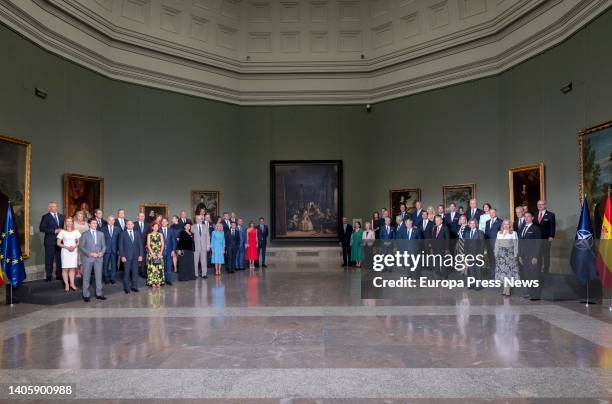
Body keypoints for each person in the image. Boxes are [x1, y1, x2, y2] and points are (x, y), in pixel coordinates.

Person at [79, 218, 106, 302]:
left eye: (96, 223)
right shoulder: (84, 234)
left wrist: (102, 253)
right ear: (89, 224)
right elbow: (81, 247)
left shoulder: (101, 234)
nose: (95, 224)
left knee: (98, 277)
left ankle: (99, 294)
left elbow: (104, 246)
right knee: (86, 277)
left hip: (99, 258)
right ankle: (86, 295)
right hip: (88, 258)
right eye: (93, 223)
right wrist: (90, 253)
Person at [39, 201, 65, 282]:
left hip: (60, 241)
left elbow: (64, 227)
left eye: (56, 206)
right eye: (53, 206)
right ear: (49, 208)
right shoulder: (45, 217)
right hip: (49, 242)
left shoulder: (62, 216)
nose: (55, 208)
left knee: (59, 259)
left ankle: (59, 275)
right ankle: (49, 275)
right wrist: (54, 231)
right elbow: (42, 228)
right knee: (49, 259)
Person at [519, 212, 542, 300]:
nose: (526, 218)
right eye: (525, 217)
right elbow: (520, 243)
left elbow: (538, 243)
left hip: (532, 256)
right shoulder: (522, 228)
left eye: (528, 216)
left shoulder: (536, 228)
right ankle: (529, 293)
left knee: (534, 275)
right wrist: (520, 255)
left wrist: (535, 256)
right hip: (524, 256)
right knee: (527, 275)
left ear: (532, 218)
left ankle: (535, 295)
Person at [495, 219, 519, 296]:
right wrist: (496, 254)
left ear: (510, 225)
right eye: (504, 224)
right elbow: (496, 244)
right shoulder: (499, 233)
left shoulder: (513, 233)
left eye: (507, 224)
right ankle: (504, 289)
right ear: (502, 225)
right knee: (502, 273)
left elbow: (516, 245)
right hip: (501, 255)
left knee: (508, 273)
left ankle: (507, 290)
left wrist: (515, 255)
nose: (506, 225)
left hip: (510, 255)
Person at [119, 220, 144, 293]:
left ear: (133, 225)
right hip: (126, 257)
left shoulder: (137, 233)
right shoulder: (122, 234)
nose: (130, 225)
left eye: (131, 224)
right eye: (128, 224)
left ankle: (134, 286)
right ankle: (126, 288)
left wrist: (141, 255)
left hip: (136, 257)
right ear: (126, 225)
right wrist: (122, 256)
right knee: (126, 272)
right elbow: (120, 246)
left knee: (135, 272)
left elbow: (140, 245)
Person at [56, 217, 80, 292]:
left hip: (73, 251)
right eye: (67, 221)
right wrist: (67, 247)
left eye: (70, 221)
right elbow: (58, 243)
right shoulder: (62, 232)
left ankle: (72, 284)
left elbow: (78, 242)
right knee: (65, 268)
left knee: (72, 268)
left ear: (72, 223)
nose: (69, 223)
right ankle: (66, 284)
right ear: (65, 223)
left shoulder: (76, 231)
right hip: (65, 252)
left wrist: (74, 247)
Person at [535, 199, 555, 273]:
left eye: (541, 204)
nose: (539, 206)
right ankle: (538, 270)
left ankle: (546, 270)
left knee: (546, 255)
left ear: (545, 205)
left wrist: (551, 236)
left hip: (546, 239)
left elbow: (552, 226)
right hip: (537, 239)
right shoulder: (535, 214)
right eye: (538, 204)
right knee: (538, 254)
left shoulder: (550, 215)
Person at [464, 219, 485, 285]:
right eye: (471, 223)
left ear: (476, 224)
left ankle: (478, 285)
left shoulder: (480, 232)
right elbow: (466, 245)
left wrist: (480, 254)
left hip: (477, 253)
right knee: (471, 269)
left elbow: (482, 244)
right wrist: (465, 255)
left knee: (477, 269)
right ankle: (472, 284)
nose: (472, 224)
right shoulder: (467, 233)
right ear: (469, 225)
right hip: (469, 254)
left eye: (474, 223)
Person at [101, 215, 120, 284]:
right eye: (110, 220)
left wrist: (119, 249)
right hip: (106, 250)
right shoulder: (103, 229)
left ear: (114, 221)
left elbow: (119, 240)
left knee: (114, 265)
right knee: (105, 264)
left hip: (115, 250)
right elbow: (101, 240)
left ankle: (112, 278)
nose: (111, 221)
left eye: (113, 220)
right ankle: (106, 278)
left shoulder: (118, 229)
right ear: (107, 221)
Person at [146, 222, 165, 289]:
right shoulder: (149, 235)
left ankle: (158, 282)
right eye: (155, 226)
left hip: (159, 253)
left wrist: (160, 253)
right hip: (151, 254)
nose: (156, 227)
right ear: (152, 227)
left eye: (157, 226)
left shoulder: (160, 234)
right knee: (152, 268)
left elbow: (163, 244)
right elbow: (148, 245)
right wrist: (152, 254)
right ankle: (153, 283)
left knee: (159, 268)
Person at [485, 208, 501, 279]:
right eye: (490, 213)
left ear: (496, 213)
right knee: (491, 259)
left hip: (496, 244)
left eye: (493, 212)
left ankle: (498, 275)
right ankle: (492, 274)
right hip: (488, 244)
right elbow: (486, 234)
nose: (491, 214)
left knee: (497, 260)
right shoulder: (487, 222)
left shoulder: (500, 221)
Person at [73, 210, 89, 278]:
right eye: (79, 216)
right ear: (76, 216)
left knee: (83, 258)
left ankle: (82, 271)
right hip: (76, 242)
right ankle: (77, 272)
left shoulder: (86, 223)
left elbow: (88, 232)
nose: (80, 217)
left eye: (81, 216)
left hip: (85, 243)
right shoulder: (73, 223)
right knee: (77, 258)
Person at [160, 218, 175, 285]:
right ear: (161, 223)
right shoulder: (158, 230)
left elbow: (173, 241)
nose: (164, 223)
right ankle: (162, 280)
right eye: (162, 221)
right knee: (161, 266)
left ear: (167, 223)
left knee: (169, 266)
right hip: (161, 252)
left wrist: (173, 250)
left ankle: (168, 280)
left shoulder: (171, 230)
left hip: (169, 252)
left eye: (165, 221)